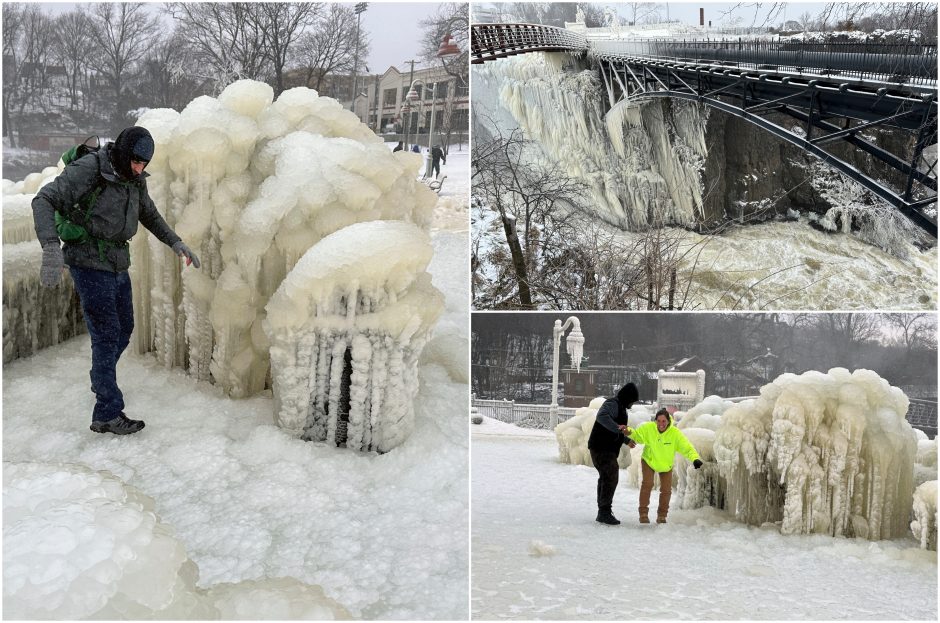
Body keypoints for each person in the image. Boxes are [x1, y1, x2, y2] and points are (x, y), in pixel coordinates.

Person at [32, 126, 201, 436]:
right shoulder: (91, 169)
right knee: (107, 333)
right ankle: (107, 411)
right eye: (135, 162)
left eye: (144, 165)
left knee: (124, 328)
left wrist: (176, 242)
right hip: (87, 261)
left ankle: (101, 378)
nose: (139, 169)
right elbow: (43, 200)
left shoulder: (135, 180)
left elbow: (148, 214)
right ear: (124, 154)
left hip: (116, 262)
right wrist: (51, 247)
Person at [626, 408, 703, 524]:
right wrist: (629, 431)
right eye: (659, 421)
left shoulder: (675, 434)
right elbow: (638, 436)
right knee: (647, 484)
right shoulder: (648, 428)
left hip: (666, 465)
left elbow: (687, 448)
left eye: (664, 421)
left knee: (666, 490)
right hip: (649, 461)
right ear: (655, 421)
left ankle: (662, 516)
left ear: (668, 421)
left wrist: (695, 459)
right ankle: (643, 513)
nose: (661, 424)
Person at [587, 382, 639, 525]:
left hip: (605, 448)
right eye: (632, 401)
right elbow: (602, 416)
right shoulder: (612, 404)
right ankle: (604, 511)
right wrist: (617, 428)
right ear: (627, 397)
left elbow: (616, 430)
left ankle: (603, 511)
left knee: (606, 476)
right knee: (610, 475)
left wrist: (626, 439)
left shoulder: (621, 407)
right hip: (600, 447)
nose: (632, 404)